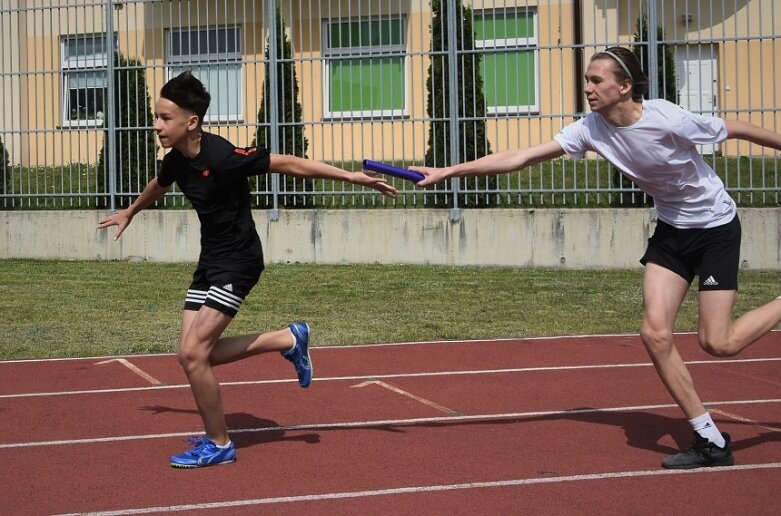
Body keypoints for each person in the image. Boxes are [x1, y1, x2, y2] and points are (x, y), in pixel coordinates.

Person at [412, 46, 781, 469]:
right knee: (655, 334)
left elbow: (736, 128)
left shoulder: (666, 117)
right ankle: (710, 439)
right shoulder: (591, 128)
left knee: (718, 342)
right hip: (671, 232)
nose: (587, 88)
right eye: (587, 80)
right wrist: (448, 172)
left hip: (715, 228)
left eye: (597, 81)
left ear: (624, 87)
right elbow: (519, 158)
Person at [98, 71, 396, 468]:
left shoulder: (221, 157)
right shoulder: (175, 161)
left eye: (165, 118)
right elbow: (160, 183)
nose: (157, 125)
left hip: (239, 260)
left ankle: (219, 444)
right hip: (211, 261)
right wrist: (130, 212)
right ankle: (286, 339)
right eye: (156, 116)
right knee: (190, 357)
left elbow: (288, 163)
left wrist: (350, 177)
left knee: (193, 354)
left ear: (191, 122)